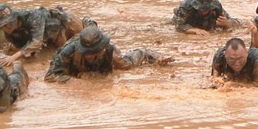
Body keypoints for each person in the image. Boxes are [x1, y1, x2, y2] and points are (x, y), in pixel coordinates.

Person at [44, 25, 173, 82]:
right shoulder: (68, 52)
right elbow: (50, 76)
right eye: (87, 53)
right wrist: (77, 80)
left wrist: (94, 75)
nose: (89, 55)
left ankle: (153, 55)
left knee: (126, 65)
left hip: (98, 66)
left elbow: (108, 73)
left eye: (93, 52)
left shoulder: (108, 50)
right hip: (74, 70)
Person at [0, 3, 82, 67]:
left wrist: (13, 57)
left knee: (80, 43)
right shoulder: (10, 34)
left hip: (68, 24)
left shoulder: (33, 16)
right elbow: (23, 48)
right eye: (2, 26)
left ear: (15, 18)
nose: (6, 28)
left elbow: (36, 42)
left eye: (9, 23)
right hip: (49, 36)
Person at [172, 0, 240, 35]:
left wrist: (227, 24)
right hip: (189, 22)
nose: (204, 11)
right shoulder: (186, 6)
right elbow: (179, 26)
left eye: (207, 8)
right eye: (202, 8)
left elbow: (236, 23)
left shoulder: (217, 7)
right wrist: (195, 30)